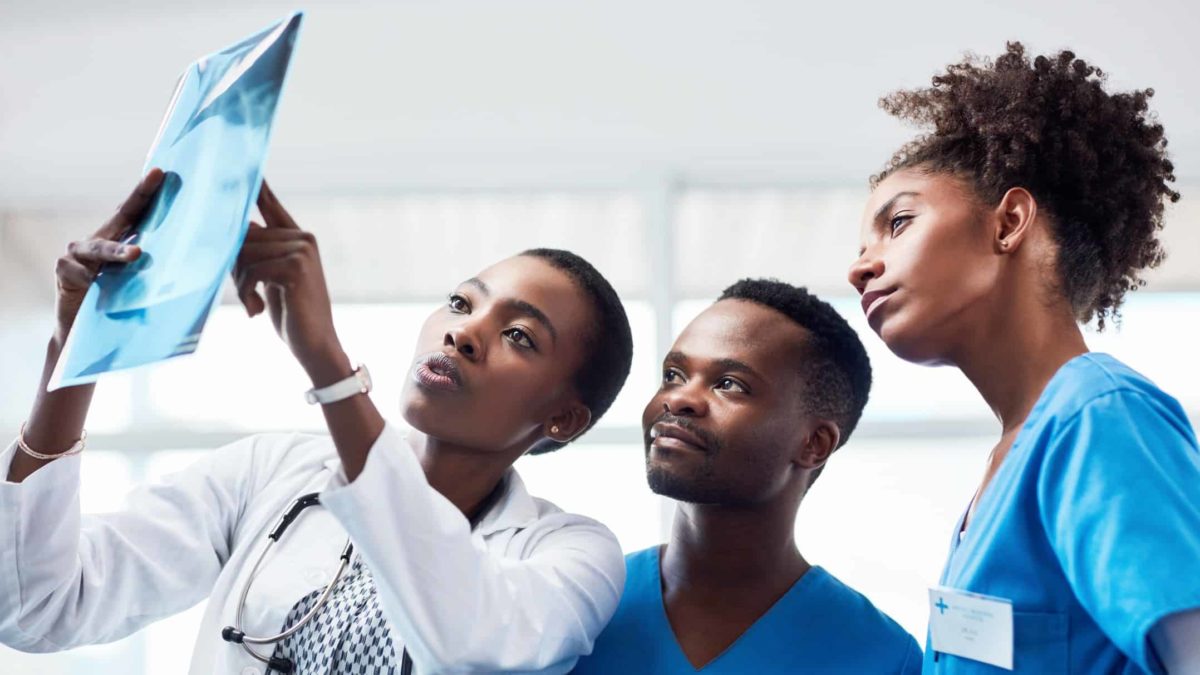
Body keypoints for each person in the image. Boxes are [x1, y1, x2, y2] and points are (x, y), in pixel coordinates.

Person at [0, 171, 635, 674]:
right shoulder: (268, 473)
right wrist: (73, 352)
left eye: (519, 336)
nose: (464, 331)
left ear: (563, 418)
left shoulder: (573, 554)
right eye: (461, 302)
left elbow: (464, 640)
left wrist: (327, 363)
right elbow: (39, 609)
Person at [849, 43, 1200, 674]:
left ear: (1009, 222)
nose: (859, 267)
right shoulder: (1003, 469)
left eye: (897, 223)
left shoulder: (1097, 415)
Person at [573, 279, 922, 674]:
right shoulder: (576, 609)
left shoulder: (884, 658)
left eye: (729, 385)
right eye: (673, 374)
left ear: (814, 444)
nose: (678, 398)